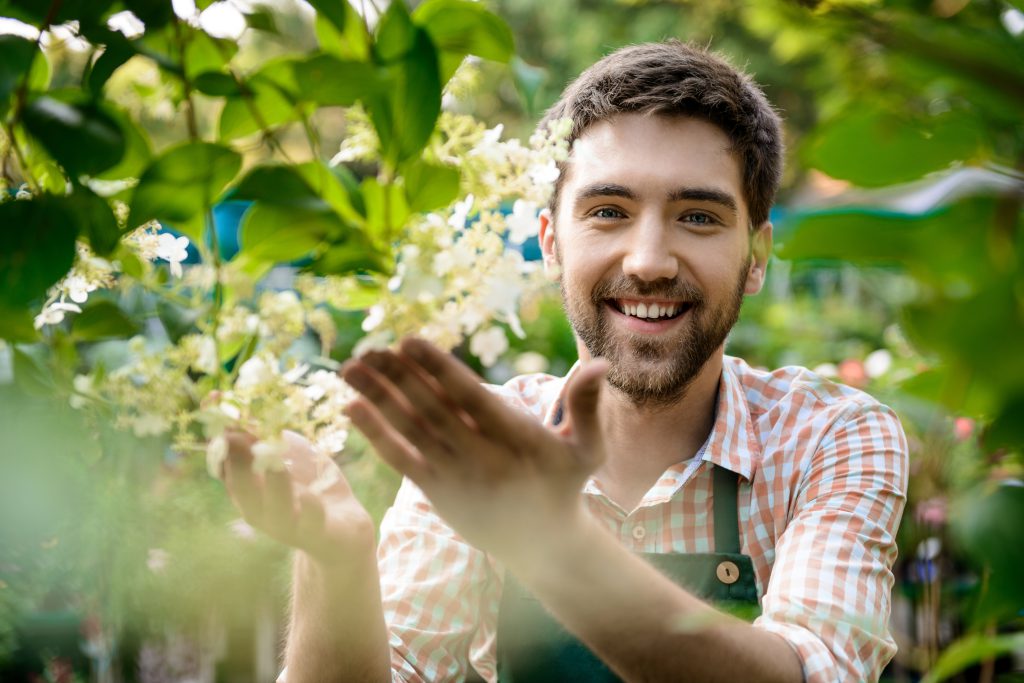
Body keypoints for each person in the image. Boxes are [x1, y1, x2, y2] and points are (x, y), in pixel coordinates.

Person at [222, 40, 908, 683]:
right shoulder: (483, 443)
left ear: (756, 257)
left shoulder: (831, 437)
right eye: (608, 210)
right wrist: (334, 563)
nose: (648, 260)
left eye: (698, 217)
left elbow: (815, 669)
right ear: (550, 243)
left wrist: (551, 540)